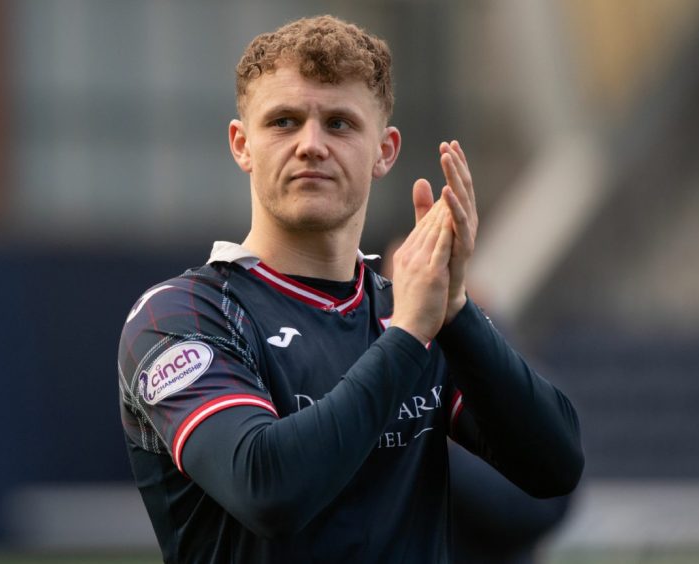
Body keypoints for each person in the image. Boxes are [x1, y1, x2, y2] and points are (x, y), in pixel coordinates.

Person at [118, 15, 583, 563]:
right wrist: (410, 332)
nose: (311, 145)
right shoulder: (182, 316)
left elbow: (554, 466)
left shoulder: (413, 310)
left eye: (339, 124)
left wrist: (454, 308)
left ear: (385, 151)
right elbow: (268, 490)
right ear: (242, 145)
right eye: (284, 122)